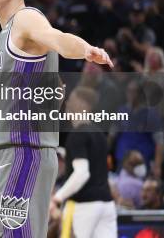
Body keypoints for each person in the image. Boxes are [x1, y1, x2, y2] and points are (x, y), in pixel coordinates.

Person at [0, 0, 113, 237]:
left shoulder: (25, 19)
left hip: (24, 154)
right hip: (13, 152)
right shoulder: (5, 34)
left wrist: (86, 49)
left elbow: (58, 38)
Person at [50, 87, 117, 238]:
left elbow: (82, 174)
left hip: (84, 205)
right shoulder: (99, 134)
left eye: (71, 100)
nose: (67, 103)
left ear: (82, 104)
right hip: (107, 204)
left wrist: (57, 197)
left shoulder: (77, 135)